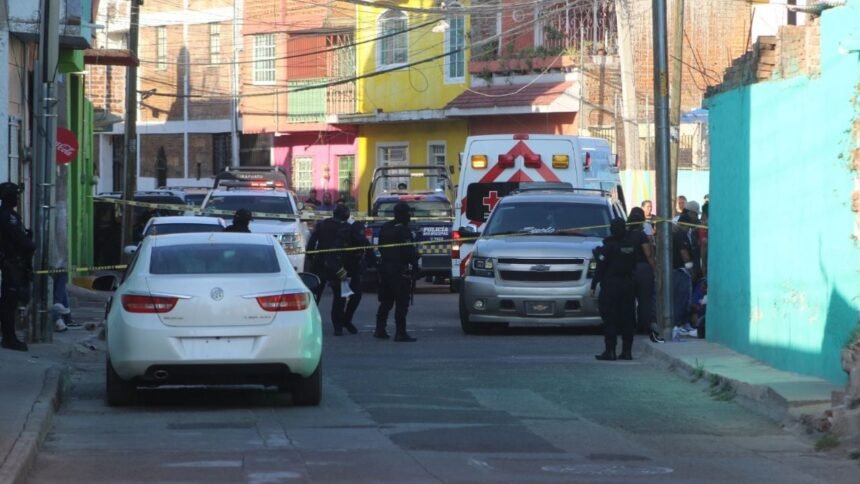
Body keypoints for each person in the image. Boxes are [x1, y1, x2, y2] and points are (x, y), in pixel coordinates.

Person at [306, 205, 369, 335]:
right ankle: (338, 326)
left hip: (320, 263)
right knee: (339, 296)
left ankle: (309, 324)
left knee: (315, 296)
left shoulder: (323, 224)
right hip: (338, 264)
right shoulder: (346, 227)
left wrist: (311, 257)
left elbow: (312, 243)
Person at [590, 218, 637, 360]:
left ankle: (610, 351)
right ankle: (627, 351)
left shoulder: (608, 247)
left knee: (610, 318)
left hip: (611, 286)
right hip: (628, 285)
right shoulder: (630, 246)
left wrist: (593, 285)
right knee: (628, 318)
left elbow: (601, 268)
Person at [375, 202, 419, 342]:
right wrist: (416, 264)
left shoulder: (386, 227)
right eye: (407, 213)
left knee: (386, 301)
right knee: (401, 302)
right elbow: (408, 251)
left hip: (385, 269)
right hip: (399, 271)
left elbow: (380, 248)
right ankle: (400, 332)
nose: (409, 216)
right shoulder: (403, 230)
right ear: (402, 214)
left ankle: (380, 329)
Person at [0, 182, 34, 351]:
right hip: (11, 263)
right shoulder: (7, 216)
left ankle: (9, 336)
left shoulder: (10, 215)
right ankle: (8, 338)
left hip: (15, 263)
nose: (18, 197)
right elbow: (20, 240)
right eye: (15, 194)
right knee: (9, 302)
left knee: (12, 301)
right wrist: (30, 244)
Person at [627, 208, 662, 343]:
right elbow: (648, 254)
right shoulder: (641, 235)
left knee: (629, 300)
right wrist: (655, 268)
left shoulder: (626, 235)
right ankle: (644, 326)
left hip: (628, 270)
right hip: (642, 269)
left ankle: (630, 325)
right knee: (645, 300)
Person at [672, 211, 695, 338]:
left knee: (680, 298)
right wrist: (691, 270)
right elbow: (684, 253)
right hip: (681, 271)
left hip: (675, 270)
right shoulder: (681, 234)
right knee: (682, 298)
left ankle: (683, 323)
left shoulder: (674, 233)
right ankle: (679, 325)